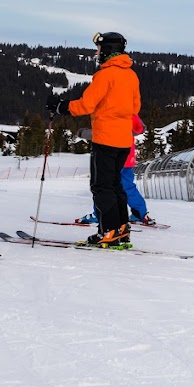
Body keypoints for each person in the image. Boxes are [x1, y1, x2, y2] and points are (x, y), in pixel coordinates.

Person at [47, 31, 142, 248]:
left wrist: (61, 106)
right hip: (123, 140)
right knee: (115, 184)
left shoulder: (105, 75)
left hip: (106, 139)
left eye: (99, 49)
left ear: (108, 50)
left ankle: (108, 230)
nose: (97, 53)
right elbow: (135, 108)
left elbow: (86, 105)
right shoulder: (131, 75)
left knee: (101, 187)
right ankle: (121, 229)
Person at [75, 113, 155, 226]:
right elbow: (140, 128)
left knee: (103, 186)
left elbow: (105, 133)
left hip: (112, 156)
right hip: (128, 156)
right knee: (127, 186)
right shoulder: (130, 112)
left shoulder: (113, 112)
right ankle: (140, 213)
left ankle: (100, 214)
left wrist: (83, 133)